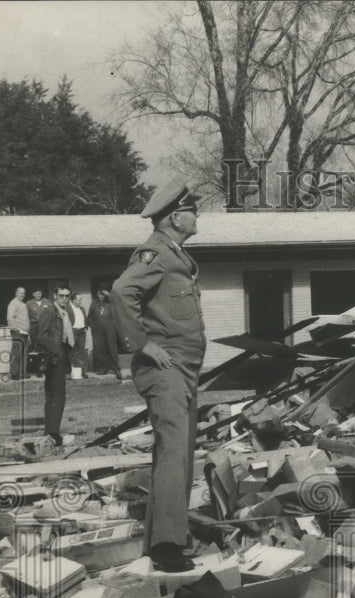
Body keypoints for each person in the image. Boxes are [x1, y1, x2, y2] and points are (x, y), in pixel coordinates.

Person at [111, 175, 205, 573]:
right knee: (173, 453)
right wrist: (142, 344)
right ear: (171, 218)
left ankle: (166, 539)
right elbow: (121, 292)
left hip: (183, 369)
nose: (196, 215)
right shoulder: (154, 254)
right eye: (190, 210)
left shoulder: (175, 255)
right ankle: (167, 548)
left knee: (179, 453)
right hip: (164, 368)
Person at [35, 285, 74, 446]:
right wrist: (58, 352)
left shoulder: (64, 312)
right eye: (61, 295)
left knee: (54, 396)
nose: (64, 299)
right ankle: (53, 435)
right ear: (55, 295)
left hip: (60, 356)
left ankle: (50, 433)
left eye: (67, 296)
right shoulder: (50, 311)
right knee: (57, 396)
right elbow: (41, 336)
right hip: (54, 358)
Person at [89, 287, 122, 380]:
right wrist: (93, 327)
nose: (101, 296)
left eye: (103, 294)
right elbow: (89, 317)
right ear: (97, 295)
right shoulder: (94, 304)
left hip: (110, 329)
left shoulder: (111, 303)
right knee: (100, 349)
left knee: (112, 349)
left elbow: (118, 311)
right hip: (98, 330)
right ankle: (102, 369)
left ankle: (116, 369)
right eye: (99, 294)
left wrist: (108, 295)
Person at [6, 286, 30, 380]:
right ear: (16, 293)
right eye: (20, 293)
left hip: (24, 332)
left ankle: (22, 373)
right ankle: (15, 374)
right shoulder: (13, 303)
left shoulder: (23, 304)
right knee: (16, 354)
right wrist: (15, 329)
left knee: (24, 354)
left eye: (23, 293)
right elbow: (10, 317)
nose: (22, 295)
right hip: (18, 332)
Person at [26, 288, 51, 376]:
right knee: (37, 348)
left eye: (40, 293)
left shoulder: (46, 301)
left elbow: (51, 314)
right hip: (34, 327)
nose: (38, 295)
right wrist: (28, 330)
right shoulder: (29, 303)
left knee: (45, 348)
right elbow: (27, 317)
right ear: (33, 294)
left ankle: (45, 369)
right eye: (36, 293)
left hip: (45, 327)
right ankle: (38, 370)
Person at [67, 293, 89, 379]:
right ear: (73, 300)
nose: (80, 301)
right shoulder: (68, 308)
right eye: (79, 300)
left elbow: (85, 319)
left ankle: (82, 373)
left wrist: (86, 327)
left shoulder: (82, 309)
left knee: (81, 352)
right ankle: (70, 372)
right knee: (71, 352)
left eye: (81, 300)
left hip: (81, 332)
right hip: (73, 332)